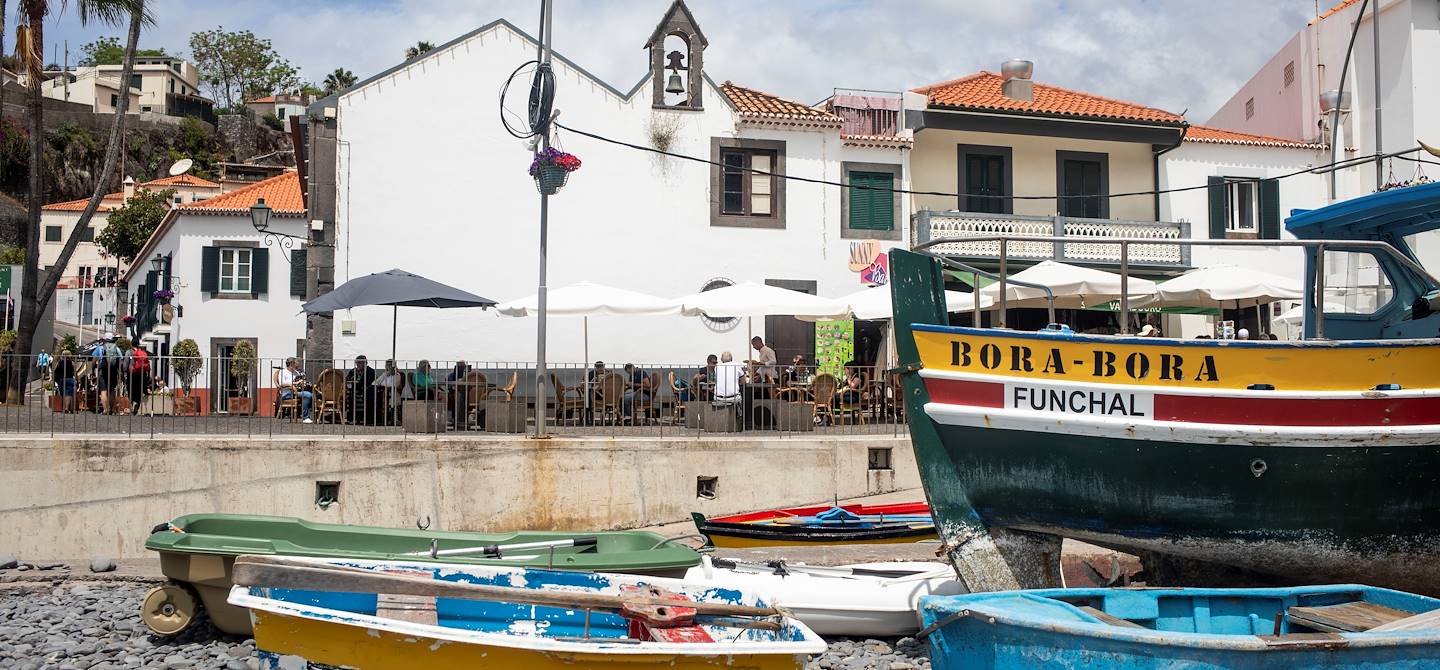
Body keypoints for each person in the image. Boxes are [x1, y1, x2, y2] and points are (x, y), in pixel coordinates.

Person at [91, 333, 123, 414]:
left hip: (103, 370)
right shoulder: (117, 348)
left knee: (103, 390)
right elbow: (121, 361)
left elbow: (94, 360)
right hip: (113, 371)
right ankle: (112, 409)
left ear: (104, 339)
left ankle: (106, 409)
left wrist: (92, 370)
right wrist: (120, 372)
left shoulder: (100, 348)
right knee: (112, 390)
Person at [277, 357, 314, 423]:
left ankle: (311, 416)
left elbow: (299, 381)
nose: (297, 365)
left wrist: (303, 383)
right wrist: (295, 383)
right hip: (287, 393)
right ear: (291, 364)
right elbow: (281, 383)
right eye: (295, 363)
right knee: (307, 395)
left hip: (297, 391)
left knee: (313, 395)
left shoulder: (296, 372)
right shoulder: (283, 372)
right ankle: (305, 417)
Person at [374, 359, 409, 425]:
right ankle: (379, 419)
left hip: (394, 393)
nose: (389, 367)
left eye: (391, 365)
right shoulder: (384, 374)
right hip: (383, 393)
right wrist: (384, 377)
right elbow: (375, 383)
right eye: (388, 365)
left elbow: (394, 384)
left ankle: (395, 419)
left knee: (392, 398)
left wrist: (383, 384)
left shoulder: (398, 375)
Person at [345, 355, 377, 424]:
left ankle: (365, 418)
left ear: (365, 363)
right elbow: (347, 379)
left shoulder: (370, 371)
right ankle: (352, 418)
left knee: (369, 396)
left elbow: (371, 382)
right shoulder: (353, 371)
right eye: (357, 363)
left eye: (360, 363)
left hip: (366, 389)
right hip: (354, 390)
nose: (358, 365)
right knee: (351, 396)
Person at [128, 344, 151, 415]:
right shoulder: (145, 353)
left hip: (133, 374)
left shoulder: (130, 352)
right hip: (142, 374)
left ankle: (131, 405)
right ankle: (137, 404)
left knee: (131, 389)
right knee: (139, 390)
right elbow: (148, 366)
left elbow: (126, 364)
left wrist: (125, 371)